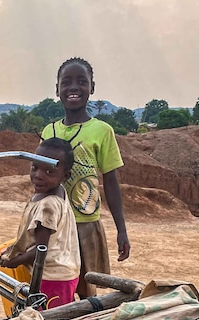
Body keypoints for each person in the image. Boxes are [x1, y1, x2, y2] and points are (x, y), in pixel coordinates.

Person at [40, 57, 130, 299]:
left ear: (92, 87)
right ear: (56, 89)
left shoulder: (102, 131)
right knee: (56, 288)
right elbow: (40, 178)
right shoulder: (49, 132)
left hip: (86, 224)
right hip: (54, 225)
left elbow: (110, 181)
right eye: (66, 82)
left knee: (87, 290)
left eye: (82, 81)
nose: (74, 87)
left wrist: (121, 229)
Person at [0, 138, 80, 309]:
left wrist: (15, 261)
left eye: (49, 172)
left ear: (65, 176)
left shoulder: (47, 206)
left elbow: (41, 250)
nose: (38, 175)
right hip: (63, 272)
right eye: (35, 167)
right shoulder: (58, 191)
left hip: (52, 278)